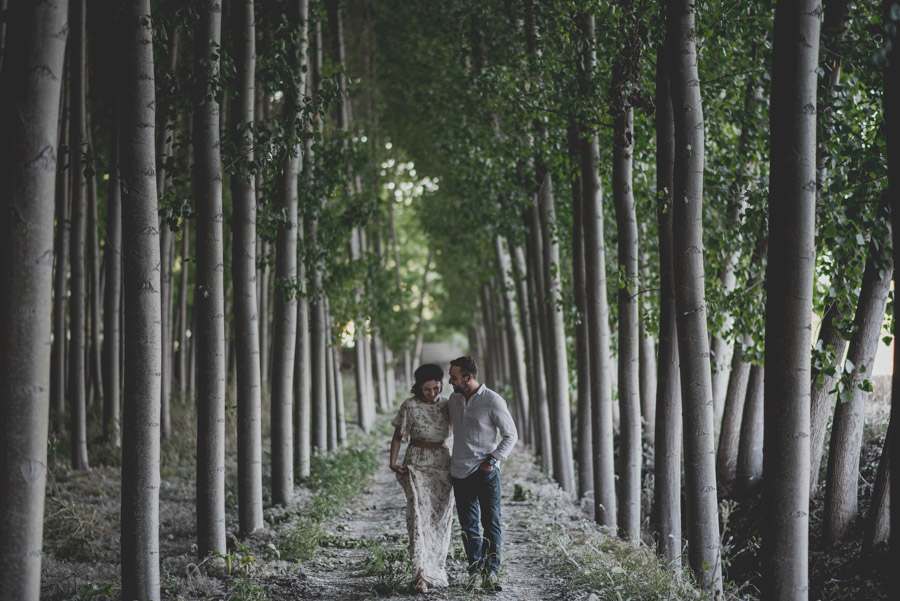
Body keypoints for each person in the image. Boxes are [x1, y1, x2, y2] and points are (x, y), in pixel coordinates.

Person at [447, 356, 518, 592]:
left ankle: (492, 572)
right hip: (459, 472)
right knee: (468, 526)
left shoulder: (492, 401)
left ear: (469, 377)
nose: (450, 381)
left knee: (491, 523)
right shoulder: (453, 400)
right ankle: (475, 572)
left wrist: (493, 459)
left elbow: (511, 435)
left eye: (454, 377)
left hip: (485, 473)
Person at [389, 363, 454, 594]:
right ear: (418, 388)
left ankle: (435, 569)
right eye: (427, 389)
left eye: (436, 388)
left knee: (440, 519)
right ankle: (418, 574)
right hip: (416, 463)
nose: (433, 393)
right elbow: (398, 436)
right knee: (417, 516)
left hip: (442, 464)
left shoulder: (448, 404)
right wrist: (393, 462)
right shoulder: (410, 406)